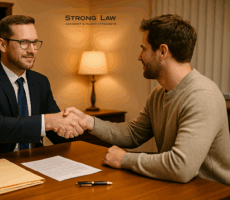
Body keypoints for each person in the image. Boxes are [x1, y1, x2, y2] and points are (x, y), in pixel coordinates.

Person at [62, 14, 230, 186]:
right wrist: (89, 121)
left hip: (213, 191)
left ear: (162, 52)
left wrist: (124, 159)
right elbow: (133, 134)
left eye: (144, 49)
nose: (139, 56)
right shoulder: (158, 94)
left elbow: (181, 167)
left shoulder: (202, 96)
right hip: (178, 187)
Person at [0, 15, 82, 159]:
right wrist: (49, 121)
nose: (32, 50)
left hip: (35, 160)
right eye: (24, 42)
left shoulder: (40, 81)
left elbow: (56, 131)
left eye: (34, 43)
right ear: (3, 45)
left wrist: (72, 126)